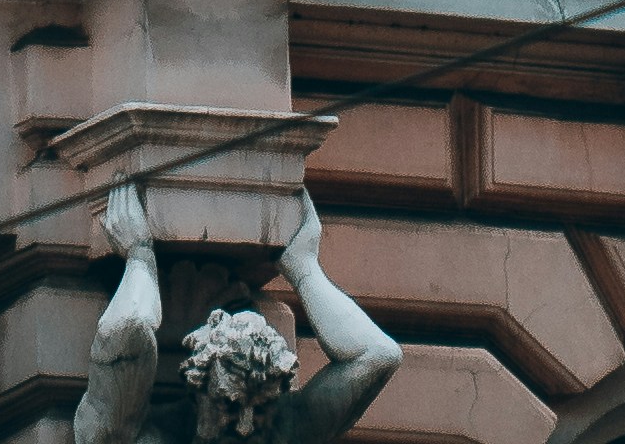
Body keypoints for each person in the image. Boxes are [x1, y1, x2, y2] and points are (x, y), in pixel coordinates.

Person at [72, 176, 399, 442]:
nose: (245, 427)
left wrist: (304, 269)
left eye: (262, 409)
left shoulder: (281, 433)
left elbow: (378, 355)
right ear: (198, 394)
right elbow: (126, 329)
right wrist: (139, 258)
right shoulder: (143, 438)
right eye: (229, 405)